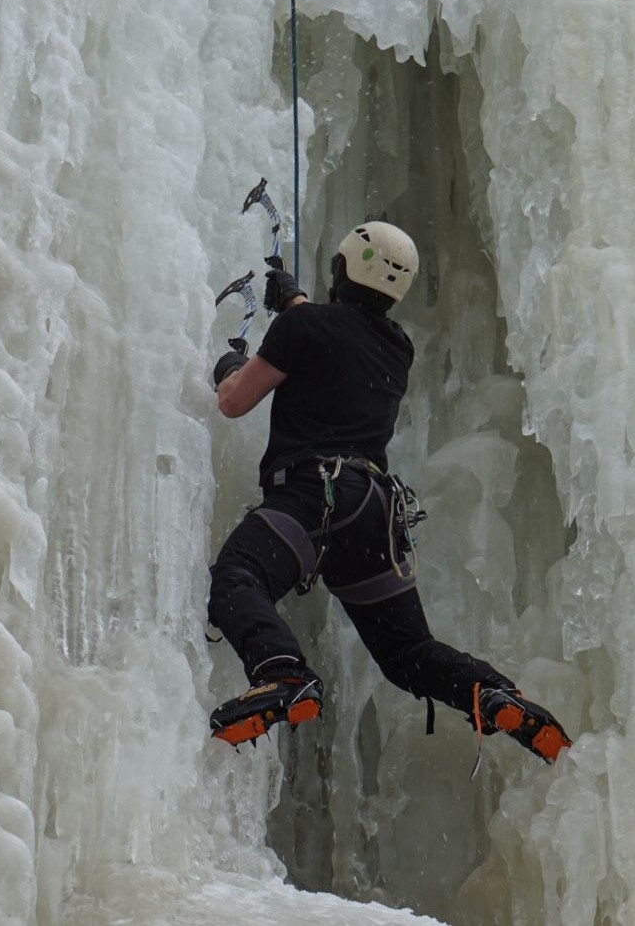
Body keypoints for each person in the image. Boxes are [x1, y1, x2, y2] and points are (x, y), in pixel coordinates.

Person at [207, 221, 571, 766]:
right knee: (407, 652)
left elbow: (235, 402)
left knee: (237, 578)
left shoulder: (304, 327)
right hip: (373, 513)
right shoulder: (396, 347)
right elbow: (335, 335)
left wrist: (231, 368)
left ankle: (282, 672)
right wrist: (296, 303)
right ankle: (493, 694)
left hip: (312, 497)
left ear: (345, 267)